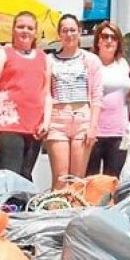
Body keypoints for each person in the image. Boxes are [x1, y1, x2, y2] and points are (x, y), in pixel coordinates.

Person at [0, 11, 47, 180]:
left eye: (30, 28)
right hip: (8, 126)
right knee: (11, 176)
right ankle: (9, 207)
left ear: (35, 33)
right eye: (21, 26)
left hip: (34, 129)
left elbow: (46, 93)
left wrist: (46, 121)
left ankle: (21, 207)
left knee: (26, 176)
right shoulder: (2, 53)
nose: (25, 31)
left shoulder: (43, 57)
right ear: (13, 30)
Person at [45, 14, 103, 189]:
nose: (69, 34)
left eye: (72, 30)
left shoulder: (91, 60)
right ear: (59, 34)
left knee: (78, 180)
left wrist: (93, 126)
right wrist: (46, 122)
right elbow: (47, 94)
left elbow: (96, 95)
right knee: (61, 178)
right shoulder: (49, 60)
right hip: (58, 120)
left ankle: (75, 214)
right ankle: (57, 213)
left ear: (79, 32)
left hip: (82, 119)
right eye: (65, 30)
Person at [87, 21, 130, 177]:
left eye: (114, 37)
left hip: (119, 131)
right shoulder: (90, 62)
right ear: (97, 40)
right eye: (105, 36)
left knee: (113, 181)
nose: (109, 40)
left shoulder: (123, 64)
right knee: (90, 181)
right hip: (94, 132)